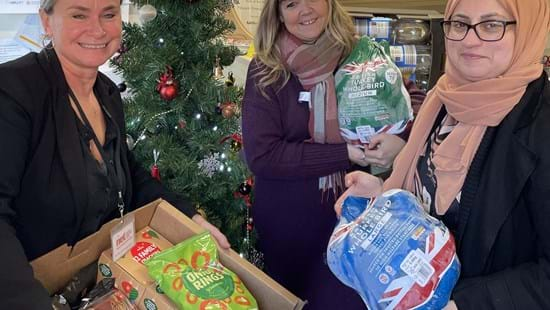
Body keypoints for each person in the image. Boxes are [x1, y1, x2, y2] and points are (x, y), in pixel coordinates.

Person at [0, 0, 229, 308]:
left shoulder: (106, 93)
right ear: (46, 21)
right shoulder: (13, 92)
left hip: (96, 289)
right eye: (79, 14)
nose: (97, 29)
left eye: (108, 13)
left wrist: (190, 219)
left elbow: (126, 171)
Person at [337, 0, 550, 308]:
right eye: (459, 24)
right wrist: (382, 195)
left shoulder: (541, 125)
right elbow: (430, 194)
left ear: (528, 29)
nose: (470, 40)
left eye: (492, 25)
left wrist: (464, 304)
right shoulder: (444, 99)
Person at [241, 0, 425, 307]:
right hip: (288, 225)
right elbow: (263, 155)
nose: (306, 10)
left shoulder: (360, 55)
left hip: (353, 219)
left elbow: (414, 97)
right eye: (291, 4)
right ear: (278, 15)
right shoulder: (267, 68)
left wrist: (401, 137)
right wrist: (347, 153)